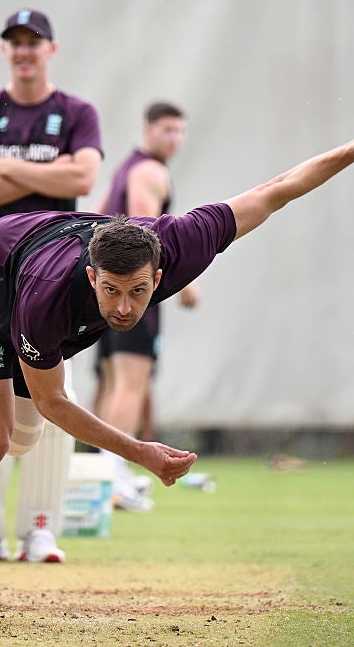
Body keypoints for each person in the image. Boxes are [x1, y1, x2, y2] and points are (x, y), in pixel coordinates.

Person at [0, 86, 354, 620]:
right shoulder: (50, 301)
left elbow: (276, 190)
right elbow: (56, 403)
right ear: (92, 276)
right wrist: (141, 453)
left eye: (138, 291)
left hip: (27, 255)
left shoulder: (183, 239)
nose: (122, 308)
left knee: (21, 440)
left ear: (160, 275)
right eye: (110, 290)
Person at [0, 8, 104, 565]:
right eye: (14, 42)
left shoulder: (76, 112)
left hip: (55, 272)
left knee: (53, 396)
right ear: (5, 50)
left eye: (34, 42)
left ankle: (40, 530)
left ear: (50, 50)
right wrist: (43, 171)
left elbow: (82, 178)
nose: (24, 50)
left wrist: (4, 166)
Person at [93, 101, 200, 511]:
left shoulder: (125, 167)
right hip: (132, 293)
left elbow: (100, 218)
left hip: (104, 292)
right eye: (166, 130)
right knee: (130, 384)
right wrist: (184, 283)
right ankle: (114, 477)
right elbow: (145, 232)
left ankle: (104, 476)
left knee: (111, 381)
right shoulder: (150, 171)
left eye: (180, 131)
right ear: (147, 130)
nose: (174, 138)